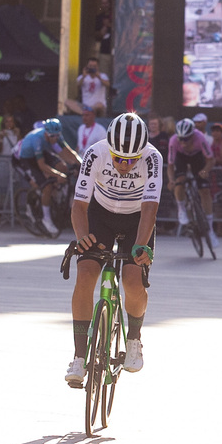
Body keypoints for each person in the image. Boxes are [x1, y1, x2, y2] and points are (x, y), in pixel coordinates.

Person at [65, 113, 160, 387]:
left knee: (132, 279)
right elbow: (79, 205)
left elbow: (150, 208)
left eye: (132, 160)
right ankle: (79, 356)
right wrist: (82, 237)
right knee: (85, 273)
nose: (124, 164)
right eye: (119, 158)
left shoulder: (153, 159)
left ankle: (134, 339)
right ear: (110, 148)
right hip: (100, 216)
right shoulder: (94, 154)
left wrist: (141, 246)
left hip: (137, 220)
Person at [13, 118, 81, 236]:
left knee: (63, 167)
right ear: (46, 133)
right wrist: (58, 175)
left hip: (42, 152)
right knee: (47, 187)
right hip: (28, 159)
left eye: (56, 136)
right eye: (52, 136)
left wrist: (82, 165)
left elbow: (69, 152)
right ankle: (46, 219)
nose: (54, 139)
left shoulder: (56, 136)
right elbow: (41, 165)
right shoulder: (37, 139)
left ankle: (57, 193)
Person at [167, 117, 219, 248]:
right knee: (180, 181)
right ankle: (181, 208)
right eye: (181, 139)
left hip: (197, 157)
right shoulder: (174, 141)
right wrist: (171, 180)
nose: (183, 142)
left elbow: (211, 160)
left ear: (192, 136)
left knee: (205, 191)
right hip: (181, 158)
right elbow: (171, 165)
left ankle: (210, 229)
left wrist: (205, 170)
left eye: (186, 139)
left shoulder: (200, 137)